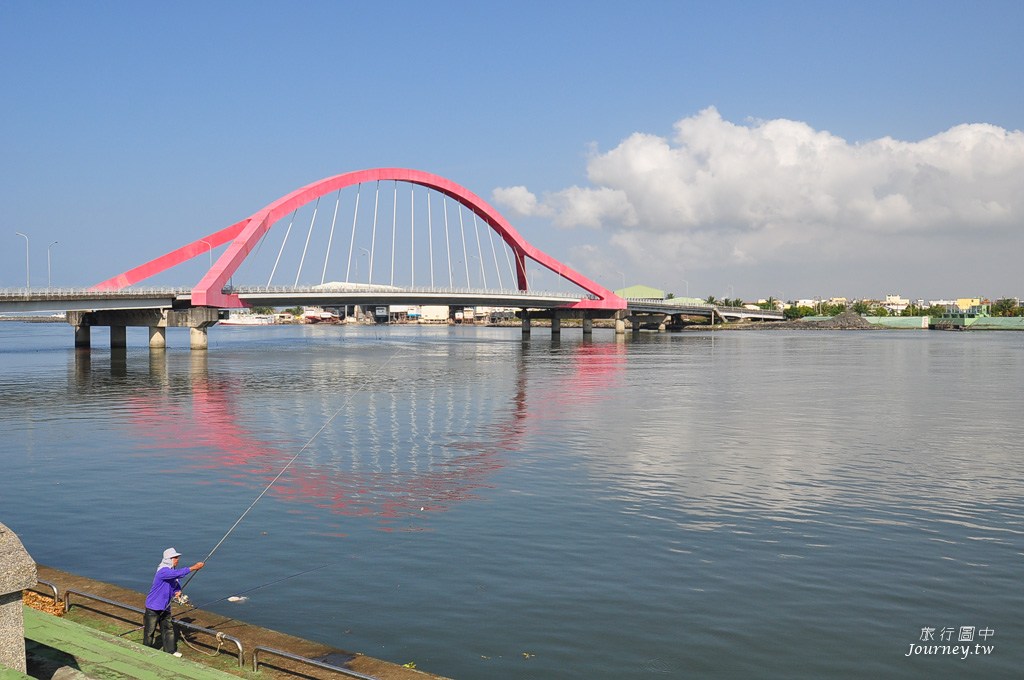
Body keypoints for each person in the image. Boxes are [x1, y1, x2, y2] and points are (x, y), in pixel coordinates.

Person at [143, 547, 204, 655]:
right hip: (153, 607)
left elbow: (175, 583)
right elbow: (177, 574)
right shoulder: (163, 571)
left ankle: (170, 651)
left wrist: (177, 591)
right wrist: (194, 567)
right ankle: (146, 650)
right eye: (175, 558)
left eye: (177, 557)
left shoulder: (171, 572)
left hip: (166, 607)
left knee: (168, 629)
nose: (177, 559)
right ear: (168, 559)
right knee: (149, 631)